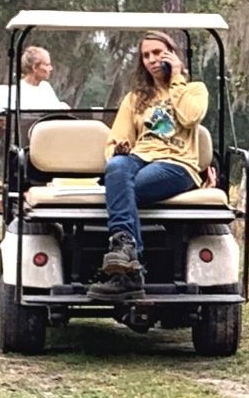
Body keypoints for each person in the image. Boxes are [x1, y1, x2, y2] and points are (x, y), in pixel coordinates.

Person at [88, 31, 208, 300]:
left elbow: (189, 118)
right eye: (146, 55)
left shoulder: (194, 90)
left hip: (177, 164)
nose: (152, 59)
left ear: (172, 53)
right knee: (116, 168)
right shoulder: (135, 98)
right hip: (139, 158)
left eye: (158, 52)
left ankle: (129, 274)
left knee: (123, 187)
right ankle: (126, 251)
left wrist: (176, 76)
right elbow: (115, 139)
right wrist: (119, 149)